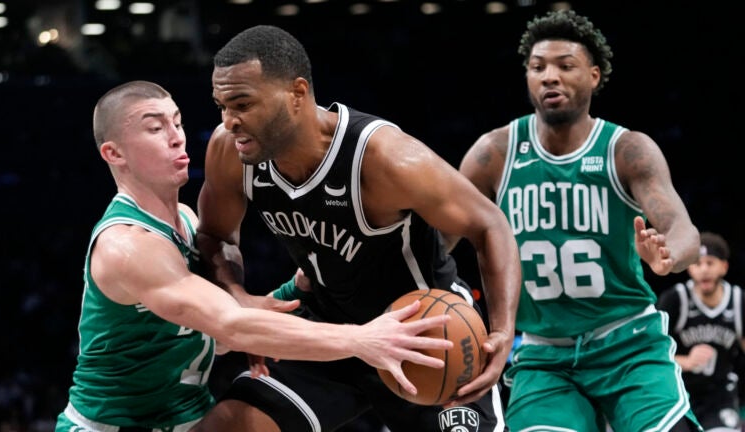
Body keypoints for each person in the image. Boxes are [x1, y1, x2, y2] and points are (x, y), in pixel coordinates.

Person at [54, 80, 459, 431]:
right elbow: (230, 326)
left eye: (177, 121)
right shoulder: (128, 245)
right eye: (155, 128)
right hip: (115, 425)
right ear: (114, 154)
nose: (177, 136)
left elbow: (212, 330)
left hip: (188, 416)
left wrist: (295, 287)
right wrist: (363, 339)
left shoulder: (186, 220)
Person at [193, 25, 521, 432]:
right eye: (221, 105)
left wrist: (504, 329)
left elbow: (489, 224)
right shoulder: (229, 149)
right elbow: (214, 236)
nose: (230, 121)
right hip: (329, 331)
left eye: (242, 103)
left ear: (297, 94)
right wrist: (236, 295)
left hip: (425, 331)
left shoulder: (384, 158)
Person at [446, 9, 704, 432]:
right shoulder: (494, 154)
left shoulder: (627, 149)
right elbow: (439, 238)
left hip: (630, 346)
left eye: (565, 66)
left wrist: (669, 255)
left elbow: (683, 231)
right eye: (537, 67)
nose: (550, 76)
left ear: (595, 75)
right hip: (545, 358)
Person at [657, 232, 744, 431]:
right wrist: (686, 362)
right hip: (678, 393)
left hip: (720, 396)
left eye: (710, 263)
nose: (704, 269)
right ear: (689, 268)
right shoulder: (675, 299)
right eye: (698, 263)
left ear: (724, 266)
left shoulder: (739, 301)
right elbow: (652, 351)